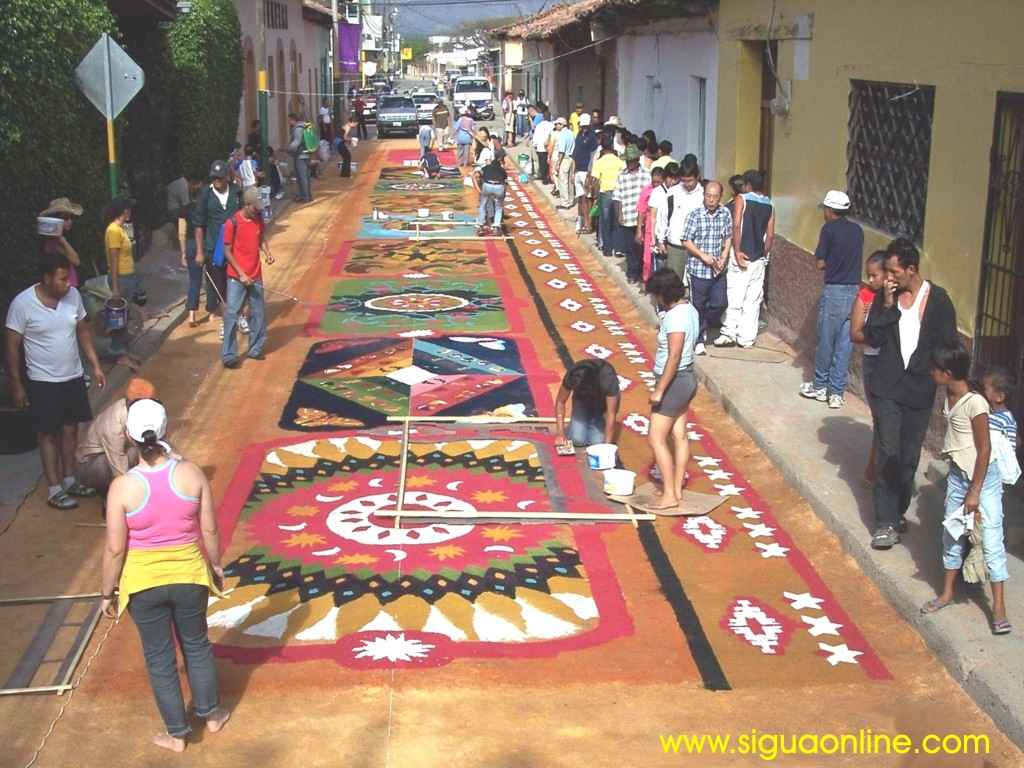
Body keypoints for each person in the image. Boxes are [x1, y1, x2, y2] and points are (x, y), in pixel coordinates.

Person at [99, 398, 230, 752]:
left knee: (159, 657)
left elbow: (114, 549)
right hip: (189, 576)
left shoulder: (122, 487)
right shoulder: (191, 474)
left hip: (143, 585)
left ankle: (176, 733)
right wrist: (216, 566)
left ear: (128, 436)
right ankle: (212, 713)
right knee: (197, 645)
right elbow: (211, 531)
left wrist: (107, 593)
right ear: (166, 431)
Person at [863, 238, 958, 550]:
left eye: (894, 272)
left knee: (908, 459)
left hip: (919, 390)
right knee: (888, 451)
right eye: (887, 272)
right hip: (886, 387)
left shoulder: (939, 301)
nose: (889, 277)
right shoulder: (885, 298)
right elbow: (872, 335)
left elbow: (948, 346)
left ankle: (897, 510)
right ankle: (884, 522)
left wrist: (951, 387)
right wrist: (888, 305)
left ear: (911, 270)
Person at [920, 345, 1010, 635]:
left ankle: (998, 607)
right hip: (959, 476)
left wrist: (974, 493)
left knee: (992, 538)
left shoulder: (975, 404)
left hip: (981, 480)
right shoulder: (949, 393)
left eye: (935, 369)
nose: (931, 372)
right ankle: (947, 593)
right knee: (952, 534)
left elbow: (984, 451)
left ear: (947, 373)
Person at [6, 251, 106, 509]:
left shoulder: (73, 296)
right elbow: (11, 346)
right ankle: (54, 488)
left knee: (71, 430)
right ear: (46, 278)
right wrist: (16, 384)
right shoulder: (22, 304)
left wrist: (95, 365)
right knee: (48, 434)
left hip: (72, 377)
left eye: (68, 278)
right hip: (42, 382)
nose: (68, 284)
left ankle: (70, 479)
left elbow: (83, 330)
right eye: (62, 279)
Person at [799, 190, 864, 408]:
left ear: (829, 210)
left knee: (827, 340)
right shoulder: (858, 231)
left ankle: (819, 386)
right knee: (845, 344)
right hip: (854, 292)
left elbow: (820, 263)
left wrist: (829, 263)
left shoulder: (828, 230)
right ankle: (836, 392)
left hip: (835, 290)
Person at [645, 268, 700, 509]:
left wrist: (660, 390)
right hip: (686, 379)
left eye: (656, 295)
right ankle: (676, 490)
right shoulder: (689, 310)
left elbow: (674, 356)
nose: (654, 299)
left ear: (663, 294)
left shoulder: (676, 318)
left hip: (674, 381)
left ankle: (669, 494)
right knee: (679, 435)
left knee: (656, 438)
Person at [716, 169, 775, 349]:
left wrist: (737, 249)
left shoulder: (742, 199)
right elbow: (770, 236)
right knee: (753, 299)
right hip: (758, 258)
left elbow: (736, 225)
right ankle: (747, 338)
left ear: (747, 184)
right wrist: (763, 254)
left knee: (735, 295)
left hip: (741, 254)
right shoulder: (769, 204)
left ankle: (729, 333)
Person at [221, 187, 274, 369]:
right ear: (246, 205)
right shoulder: (232, 223)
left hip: (256, 274)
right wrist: (241, 274)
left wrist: (267, 252)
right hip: (237, 278)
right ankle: (229, 354)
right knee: (232, 314)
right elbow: (227, 251)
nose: (258, 211)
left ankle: (255, 348)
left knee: (258, 312)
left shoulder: (258, 218)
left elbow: (261, 237)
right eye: (255, 208)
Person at [75, 377, 156, 494]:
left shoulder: (134, 409)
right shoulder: (113, 423)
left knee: (141, 449)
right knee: (130, 455)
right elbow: (117, 462)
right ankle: (115, 495)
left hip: (119, 453)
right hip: (91, 464)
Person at [849, 251, 888, 485]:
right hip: (874, 361)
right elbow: (855, 333)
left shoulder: (896, 298)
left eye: (875, 275)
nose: (870, 280)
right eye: (869, 275)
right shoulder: (864, 297)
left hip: (892, 364)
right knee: (880, 417)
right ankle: (873, 468)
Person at [681, 181, 732, 355]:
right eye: (708, 196)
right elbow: (686, 240)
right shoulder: (695, 215)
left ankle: (703, 325)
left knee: (720, 303)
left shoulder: (725, 213)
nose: (711, 200)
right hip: (698, 270)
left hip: (718, 271)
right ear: (704, 196)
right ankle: (698, 338)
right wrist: (702, 256)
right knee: (698, 305)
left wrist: (724, 256)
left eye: (714, 196)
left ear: (720, 197)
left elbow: (728, 237)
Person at [192, 159, 242, 339]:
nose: (216, 181)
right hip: (214, 248)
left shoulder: (237, 192)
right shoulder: (205, 194)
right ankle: (227, 322)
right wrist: (199, 251)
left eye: (220, 178)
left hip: (235, 246)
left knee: (238, 282)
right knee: (220, 286)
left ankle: (239, 316)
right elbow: (198, 224)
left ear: (227, 177)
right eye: (214, 178)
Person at [103, 197, 143, 368]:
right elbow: (113, 258)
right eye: (129, 210)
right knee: (119, 318)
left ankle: (124, 350)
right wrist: (116, 287)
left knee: (125, 317)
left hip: (128, 277)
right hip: (121, 278)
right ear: (124, 211)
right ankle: (118, 353)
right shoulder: (113, 231)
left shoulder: (121, 230)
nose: (130, 213)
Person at [658, 155, 705, 284]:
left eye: (690, 180)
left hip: (697, 247)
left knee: (693, 283)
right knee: (673, 283)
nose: (687, 184)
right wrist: (661, 240)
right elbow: (663, 216)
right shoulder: (673, 192)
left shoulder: (704, 194)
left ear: (697, 177)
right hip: (676, 246)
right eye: (684, 181)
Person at [555, 359, 621, 448]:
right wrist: (560, 433)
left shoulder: (608, 380)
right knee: (577, 440)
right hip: (581, 400)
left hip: (602, 403)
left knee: (597, 443)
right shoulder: (572, 375)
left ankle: (595, 420)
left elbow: (611, 414)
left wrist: (606, 448)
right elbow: (560, 402)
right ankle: (580, 423)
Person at [613, 145, 652, 284]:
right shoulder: (621, 175)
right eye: (627, 161)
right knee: (630, 248)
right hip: (628, 217)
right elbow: (617, 196)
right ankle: (632, 273)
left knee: (642, 248)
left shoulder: (647, 175)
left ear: (636, 160)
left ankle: (642, 272)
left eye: (631, 161)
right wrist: (619, 214)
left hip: (643, 218)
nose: (628, 164)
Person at [590, 134, 625, 257]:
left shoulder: (600, 162)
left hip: (605, 193)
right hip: (617, 193)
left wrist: (594, 195)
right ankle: (618, 248)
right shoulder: (619, 161)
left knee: (605, 221)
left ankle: (607, 249)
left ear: (603, 148)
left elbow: (594, 180)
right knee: (616, 221)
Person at [177, 179, 205, 327]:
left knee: (194, 280)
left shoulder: (184, 209)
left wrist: (182, 253)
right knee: (212, 277)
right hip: (204, 244)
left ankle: (191, 315)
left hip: (190, 245)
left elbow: (181, 233)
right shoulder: (205, 208)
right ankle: (213, 312)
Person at [39, 197, 84, 288]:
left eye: (71, 218)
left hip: (67, 283)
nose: (70, 221)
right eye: (66, 218)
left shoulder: (65, 236)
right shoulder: (53, 241)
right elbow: (76, 261)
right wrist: (62, 240)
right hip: (61, 286)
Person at [636, 166, 664, 284]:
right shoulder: (647, 190)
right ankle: (647, 281)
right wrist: (638, 230)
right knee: (647, 260)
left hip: (663, 229)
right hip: (649, 229)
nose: (656, 184)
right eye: (654, 182)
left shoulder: (667, 191)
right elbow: (641, 211)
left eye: (659, 182)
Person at [572, 113, 598, 231]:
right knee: (581, 198)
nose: (584, 128)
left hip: (586, 172)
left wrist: (589, 173)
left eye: (586, 126)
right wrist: (573, 172)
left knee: (588, 199)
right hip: (578, 170)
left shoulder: (592, 137)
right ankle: (582, 221)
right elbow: (575, 154)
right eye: (583, 126)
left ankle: (589, 224)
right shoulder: (578, 135)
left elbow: (593, 157)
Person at [477, 151, 508, 235]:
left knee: (483, 205)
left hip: (487, 185)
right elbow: (505, 180)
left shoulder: (486, 167)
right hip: (499, 187)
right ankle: (496, 227)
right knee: (499, 207)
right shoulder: (502, 170)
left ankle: (480, 225)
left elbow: (480, 175)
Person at [287, 113, 313, 203]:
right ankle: (308, 195)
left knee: (302, 176)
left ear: (292, 120)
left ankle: (305, 197)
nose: (288, 122)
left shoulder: (298, 129)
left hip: (300, 155)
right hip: (307, 153)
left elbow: (296, 142)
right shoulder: (305, 126)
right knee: (306, 176)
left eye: (289, 120)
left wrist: (288, 149)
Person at [551, 117, 576, 206]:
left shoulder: (562, 135)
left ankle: (565, 202)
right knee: (570, 182)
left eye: (557, 124)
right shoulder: (571, 133)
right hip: (571, 158)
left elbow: (561, 151)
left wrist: (558, 163)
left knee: (563, 181)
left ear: (562, 125)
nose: (556, 126)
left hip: (564, 159)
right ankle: (571, 200)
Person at [532, 109, 554, 183]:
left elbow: (535, 136)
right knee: (549, 163)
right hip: (550, 147)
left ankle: (544, 177)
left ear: (543, 117)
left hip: (540, 147)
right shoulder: (552, 125)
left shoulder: (539, 125)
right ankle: (548, 177)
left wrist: (535, 144)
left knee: (542, 163)